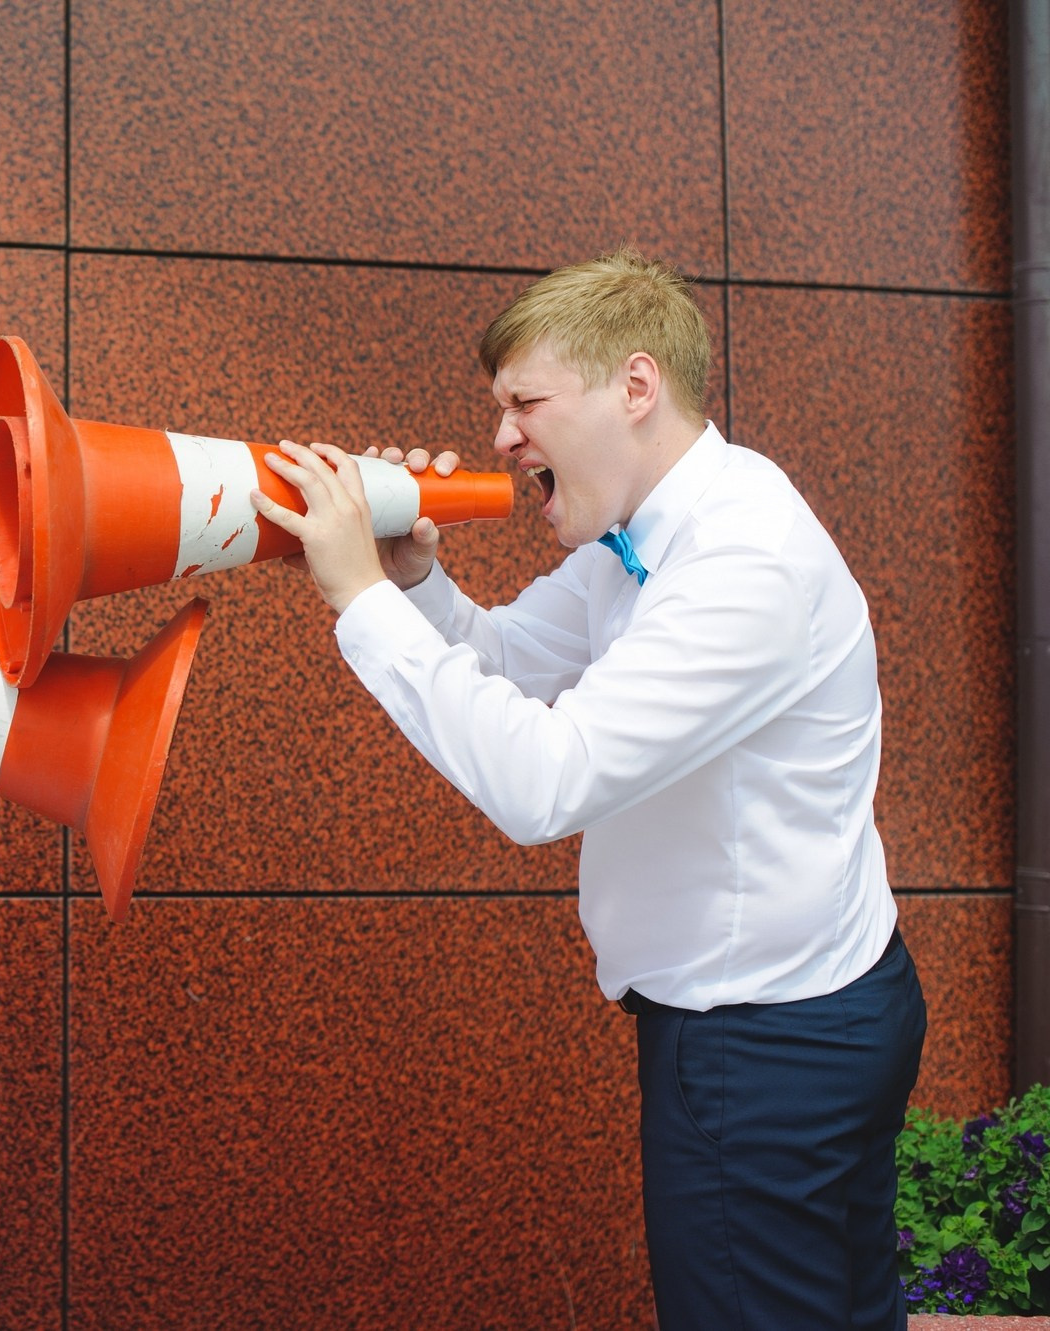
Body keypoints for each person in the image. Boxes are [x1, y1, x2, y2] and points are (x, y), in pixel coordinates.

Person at [251, 249, 926, 1331]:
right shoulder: (641, 535)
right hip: (801, 1007)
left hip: (759, 1044)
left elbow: (541, 780)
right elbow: (508, 656)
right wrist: (413, 577)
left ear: (635, 386)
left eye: (522, 402)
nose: (500, 437)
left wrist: (356, 597)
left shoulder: (738, 561)